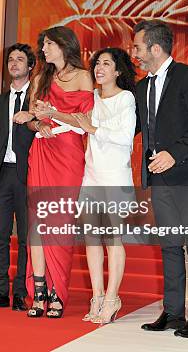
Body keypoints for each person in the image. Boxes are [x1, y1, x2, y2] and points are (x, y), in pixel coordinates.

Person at [132, 20, 188, 338]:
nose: (133, 53)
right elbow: (133, 129)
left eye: (137, 46)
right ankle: (173, 313)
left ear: (155, 47)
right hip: (159, 180)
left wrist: (174, 154)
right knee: (169, 246)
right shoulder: (141, 87)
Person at [25, 26, 94, 318]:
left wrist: (53, 115)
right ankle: (39, 290)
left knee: (60, 222)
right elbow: (30, 117)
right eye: (43, 45)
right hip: (41, 151)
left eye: (48, 44)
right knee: (38, 223)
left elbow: (86, 122)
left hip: (68, 153)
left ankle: (58, 291)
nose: (43, 50)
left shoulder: (84, 76)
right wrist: (38, 124)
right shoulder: (41, 78)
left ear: (64, 46)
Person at [72, 47, 137, 324]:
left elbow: (126, 138)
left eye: (106, 64)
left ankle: (112, 298)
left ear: (118, 71)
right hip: (92, 175)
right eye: (97, 63)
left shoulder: (126, 99)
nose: (99, 68)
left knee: (112, 239)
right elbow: (75, 124)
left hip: (115, 177)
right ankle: (97, 296)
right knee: (91, 240)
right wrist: (46, 118)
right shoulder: (92, 98)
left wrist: (93, 129)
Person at [0, 43, 36, 311]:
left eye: (20, 59)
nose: (14, 64)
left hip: (28, 176)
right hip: (1, 176)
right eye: (10, 60)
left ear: (30, 65)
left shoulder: (37, 99)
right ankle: (0, 292)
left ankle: (21, 293)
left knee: (25, 237)